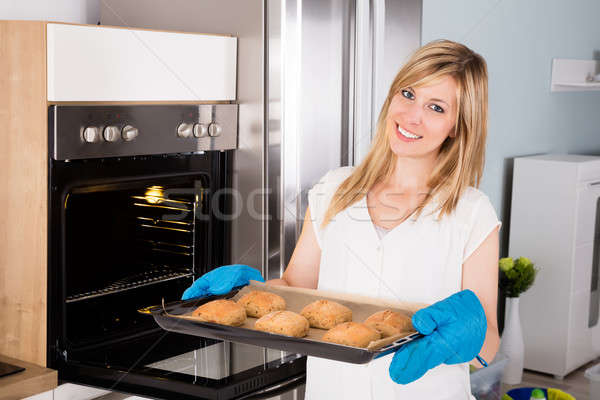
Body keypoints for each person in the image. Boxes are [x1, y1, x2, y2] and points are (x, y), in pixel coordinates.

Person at [182, 39, 501, 400]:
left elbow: (488, 345)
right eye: (408, 94)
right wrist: (246, 293)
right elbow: (295, 290)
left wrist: (471, 334)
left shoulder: (472, 212)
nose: (412, 116)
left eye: (436, 107)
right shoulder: (334, 189)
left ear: (458, 126)